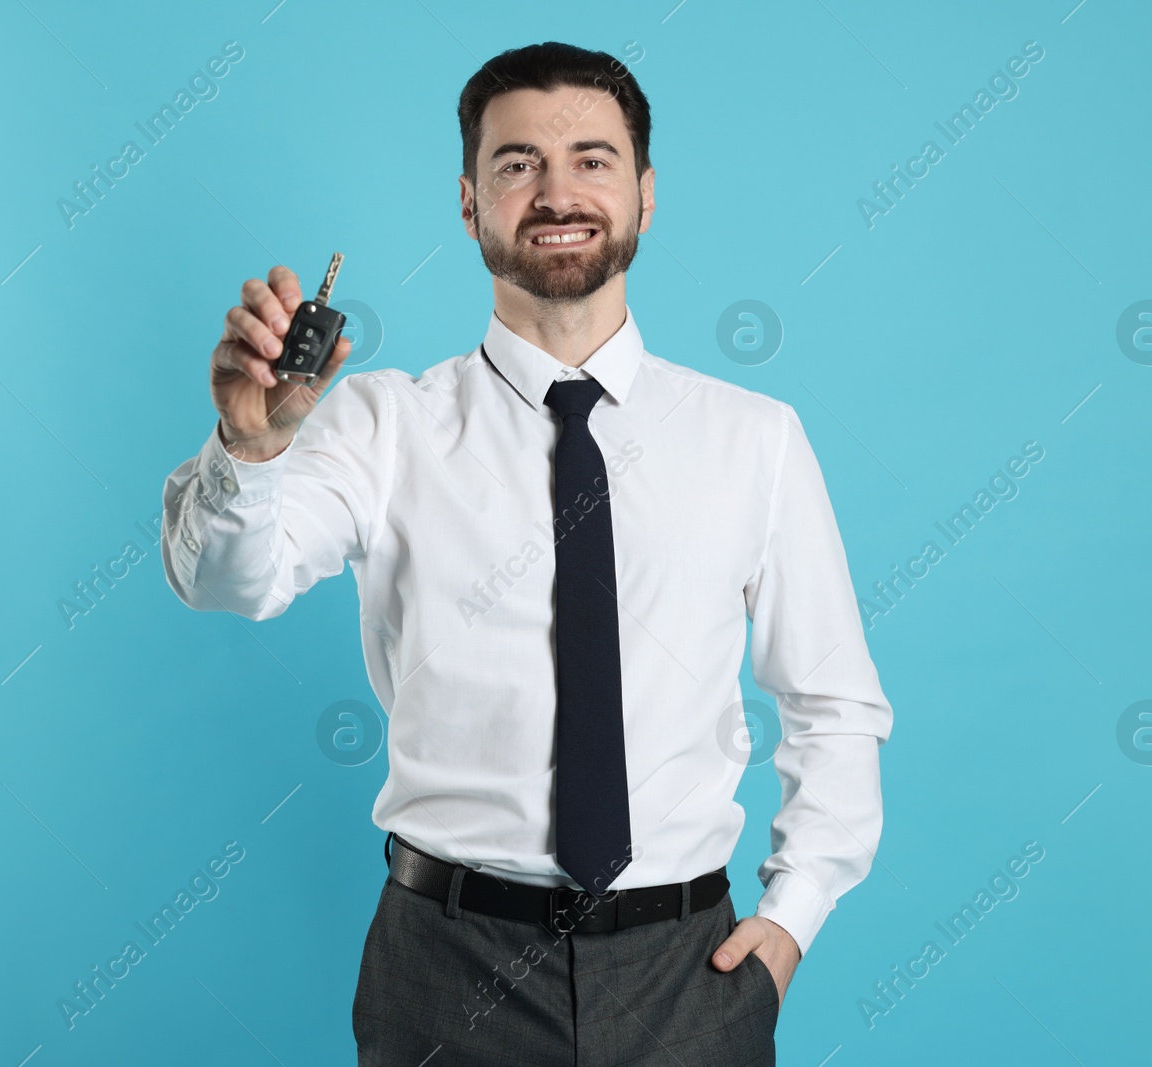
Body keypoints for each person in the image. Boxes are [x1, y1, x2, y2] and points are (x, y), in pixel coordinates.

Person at [160, 40, 894, 1066]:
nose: (557, 191)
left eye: (592, 159)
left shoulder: (753, 437)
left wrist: (793, 918)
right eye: (517, 164)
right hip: (444, 966)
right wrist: (251, 446)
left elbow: (833, 702)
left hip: (690, 976)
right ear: (468, 203)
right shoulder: (383, 425)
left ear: (645, 192)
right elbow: (228, 581)